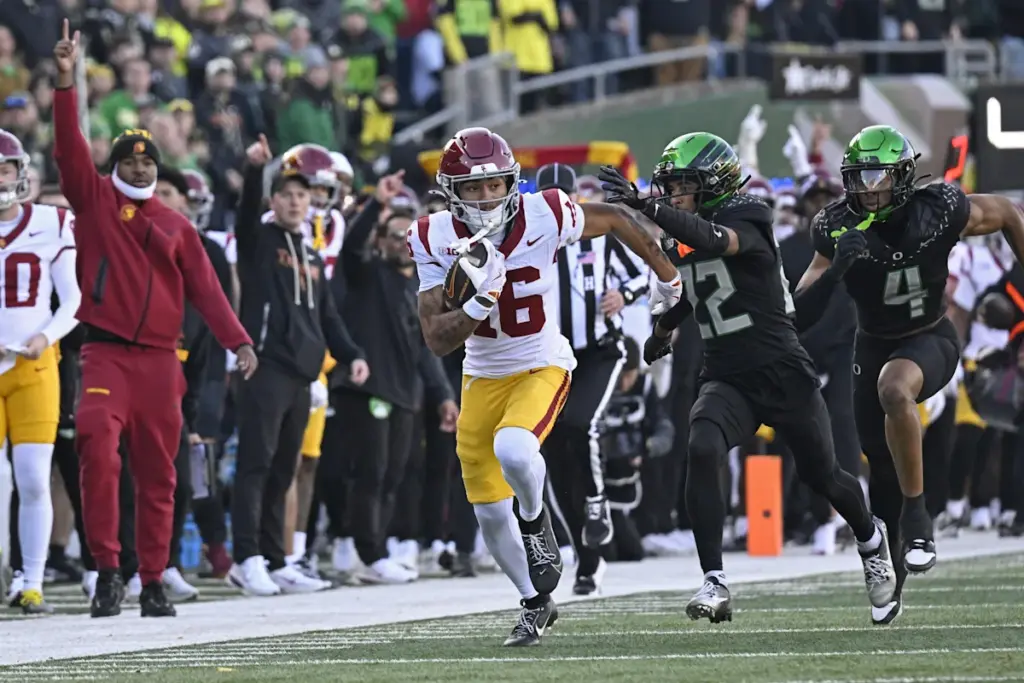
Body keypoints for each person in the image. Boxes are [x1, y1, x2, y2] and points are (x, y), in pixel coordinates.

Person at [600, 131, 897, 626]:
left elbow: (717, 242)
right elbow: (699, 288)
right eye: (669, 186)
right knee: (702, 446)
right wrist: (664, 330)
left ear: (714, 183)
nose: (672, 194)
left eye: (682, 185)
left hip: (781, 368)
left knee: (822, 476)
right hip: (726, 373)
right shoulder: (686, 229)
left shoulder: (748, 215)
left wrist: (647, 208)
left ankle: (870, 537)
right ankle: (714, 580)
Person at [409, 126, 683, 646]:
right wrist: (477, 303)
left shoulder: (546, 213)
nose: (485, 197)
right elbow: (436, 339)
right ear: (452, 192)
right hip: (480, 375)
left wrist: (668, 276)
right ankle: (534, 602)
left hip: (540, 363)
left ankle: (537, 525)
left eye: (494, 185)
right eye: (473, 187)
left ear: (511, 182)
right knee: (490, 514)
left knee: (515, 449)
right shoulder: (432, 236)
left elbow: (616, 218)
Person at [51, 21, 257, 618]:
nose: (140, 169)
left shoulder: (177, 226)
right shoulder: (94, 203)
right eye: (129, 160)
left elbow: (209, 292)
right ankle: (106, 570)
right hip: (105, 355)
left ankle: (153, 580)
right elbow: (68, 149)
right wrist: (65, 83)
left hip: (163, 364)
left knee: (159, 475)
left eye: (149, 163)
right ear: (115, 165)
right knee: (96, 449)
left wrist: (238, 341)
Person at [794, 124, 1024, 622]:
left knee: (895, 390)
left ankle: (920, 520)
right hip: (871, 344)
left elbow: (1009, 213)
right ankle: (892, 572)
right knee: (880, 468)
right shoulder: (836, 226)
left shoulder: (938, 210)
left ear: (900, 176)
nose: (866, 189)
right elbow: (799, 312)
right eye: (858, 178)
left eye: (876, 176)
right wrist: (836, 271)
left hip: (930, 337)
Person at [228, 134, 367, 597]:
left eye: (301, 196)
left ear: (311, 203)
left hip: (302, 373)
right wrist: (254, 170)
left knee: (283, 469)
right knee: (255, 464)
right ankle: (245, 557)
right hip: (265, 366)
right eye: (286, 194)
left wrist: (352, 354)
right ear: (274, 200)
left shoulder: (309, 252)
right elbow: (244, 215)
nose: (294, 202)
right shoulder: (259, 240)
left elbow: (326, 315)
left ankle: (275, 558)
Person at [0, 128, 82, 614]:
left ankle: (31, 580)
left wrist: (44, 337)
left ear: (19, 173)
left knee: (32, 477)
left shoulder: (52, 222)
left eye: (4, 169)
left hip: (33, 365)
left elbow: (72, 300)